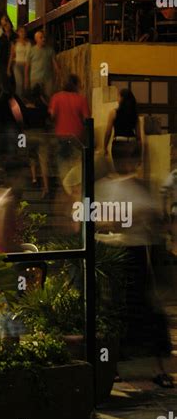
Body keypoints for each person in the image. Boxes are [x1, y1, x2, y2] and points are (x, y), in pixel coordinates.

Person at [95, 142, 173, 387]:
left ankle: (156, 368)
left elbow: (153, 218)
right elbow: (99, 220)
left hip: (138, 252)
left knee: (145, 309)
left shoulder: (140, 186)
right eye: (126, 159)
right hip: (114, 251)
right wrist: (124, 220)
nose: (130, 164)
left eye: (132, 159)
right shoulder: (105, 187)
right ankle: (116, 365)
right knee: (117, 309)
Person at [49, 74, 90, 183]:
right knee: (76, 165)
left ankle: (65, 187)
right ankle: (75, 188)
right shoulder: (82, 99)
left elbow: (51, 115)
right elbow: (87, 119)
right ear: (76, 85)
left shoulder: (56, 97)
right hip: (77, 137)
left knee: (62, 164)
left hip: (61, 136)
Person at [18, 85, 51, 198]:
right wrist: (42, 98)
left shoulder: (24, 111)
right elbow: (49, 113)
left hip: (29, 135)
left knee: (32, 157)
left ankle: (34, 178)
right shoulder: (41, 109)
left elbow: (21, 124)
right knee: (43, 162)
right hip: (42, 135)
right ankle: (46, 187)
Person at [103, 88, 142, 170]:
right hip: (132, 143)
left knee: (121, 172)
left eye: (118, 96)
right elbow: (138, 137)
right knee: (131, 173)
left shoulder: (113, 113)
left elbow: (108, 132)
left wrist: (105, 146)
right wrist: (139, 154)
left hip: (119, 144)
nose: (117, 99)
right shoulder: (135, 115)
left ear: (122, 98)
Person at [25, 30, 59, 98]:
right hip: (35, 79)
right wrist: (26, 80)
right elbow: (27, 67)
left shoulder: (50, 50)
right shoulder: (31, 51)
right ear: (36, 39)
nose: (43, 39)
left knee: (48, 99)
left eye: (44, 37)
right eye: (41, 37)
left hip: (48, 79)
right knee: (36, 99)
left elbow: (55, 64)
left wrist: (57, 76)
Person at [0, 15, 16, 95]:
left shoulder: (15, 37)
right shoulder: (1, 38)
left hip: (13, 62)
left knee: (12, 80)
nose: (7, 27)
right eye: (5, 26)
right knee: (3, 79)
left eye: (8, 24)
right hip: (2, 61)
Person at [7, 26, 31, 98]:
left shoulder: (29, 43)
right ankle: (19, 101)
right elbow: (11, 55)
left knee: (26, 84)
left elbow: (30, 56)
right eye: (21, 31)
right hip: (17, 64)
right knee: (19, 83)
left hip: (26, 65)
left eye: (24, 31)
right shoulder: (15, 42)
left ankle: (24, 100)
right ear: (18, 33)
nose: (23, 33)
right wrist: (8, 68)